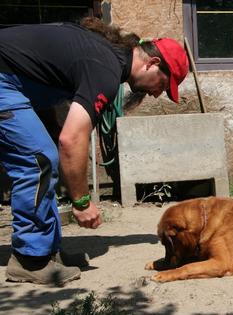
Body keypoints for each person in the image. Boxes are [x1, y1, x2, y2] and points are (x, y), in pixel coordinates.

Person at [0, 17, 189, 285]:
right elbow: (72, 139)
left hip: (15, 81)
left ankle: (45, 252)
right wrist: (81, 201)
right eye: (163, 84)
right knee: (38, 160)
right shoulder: (105, 67)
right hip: (4, 81)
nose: (158, 93)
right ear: (153, 63)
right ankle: (30, 261)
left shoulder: (105, 53)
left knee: (46, 154)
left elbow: (41, 70)